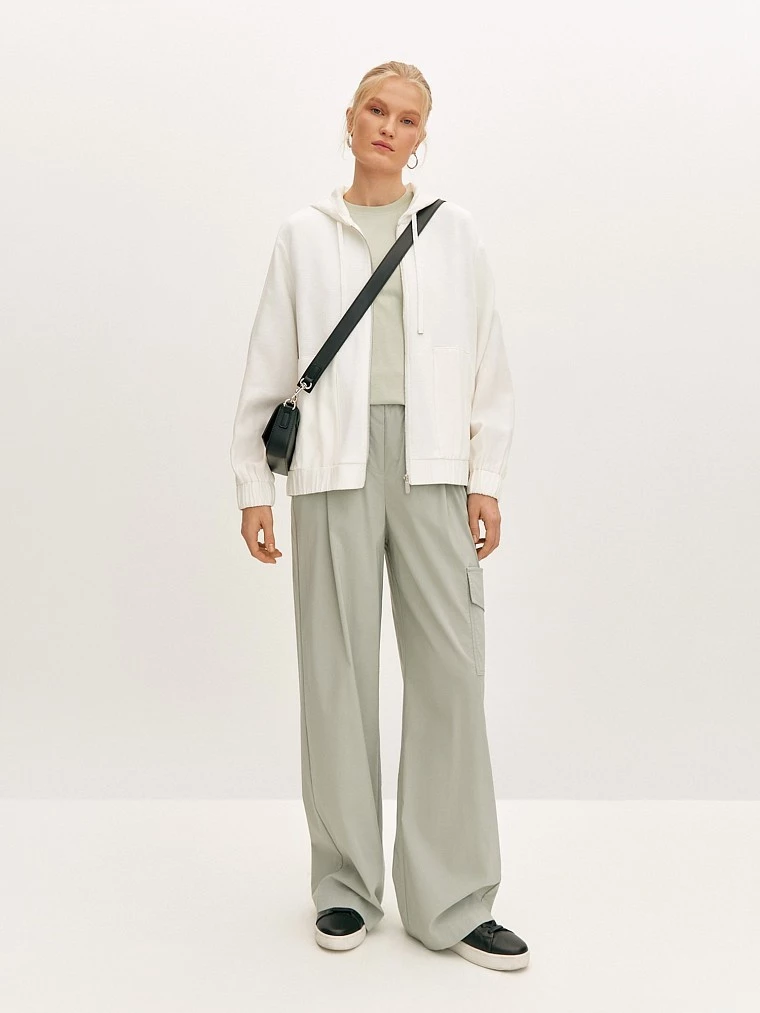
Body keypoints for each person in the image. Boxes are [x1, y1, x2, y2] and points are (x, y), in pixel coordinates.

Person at [229, 61, 529, 972]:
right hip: (331, 466)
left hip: (434, 466)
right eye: (376, 110)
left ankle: (454, 898)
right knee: (336, 675)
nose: (389, 128)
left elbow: (487, 353)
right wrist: (253, 487)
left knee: (451, 676)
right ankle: (344, 884)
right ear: (351, 117)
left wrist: (486, 474)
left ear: (422, 137)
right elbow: (271, 360)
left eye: (407, 119)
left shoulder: (453, 231)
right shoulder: (302, 235)